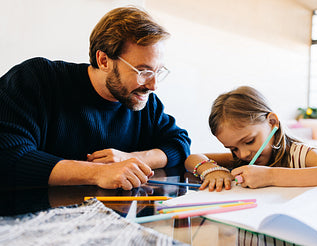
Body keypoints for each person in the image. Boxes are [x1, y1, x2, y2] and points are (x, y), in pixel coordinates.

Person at [0, 6, 191, 190]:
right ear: (103, 60)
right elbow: (7, 154)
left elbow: (179, 143)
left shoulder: (144, 101)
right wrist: (98, 173)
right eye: (142, 71)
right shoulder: (36, 79)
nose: (153, 85)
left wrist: (133, 158)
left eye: (158, 71)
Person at [185, 86, 317, 192]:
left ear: (272, 122)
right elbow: (192, 158)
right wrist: (213, 170)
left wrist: (271, 176)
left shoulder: (299, 155)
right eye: (232, 148)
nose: (242, 154)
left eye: (249, 141)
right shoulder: (242, 160)